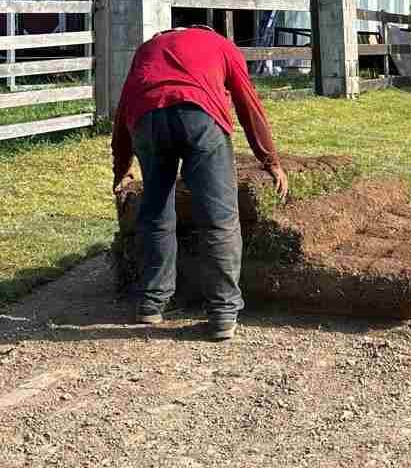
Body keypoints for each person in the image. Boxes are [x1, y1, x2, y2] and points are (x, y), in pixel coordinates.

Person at [111, 26, 288, 341]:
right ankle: (222, 313)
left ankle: (152, 304)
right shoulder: (221, 45)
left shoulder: (148, 48)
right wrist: (270, 160)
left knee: (155, 210)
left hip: (147, 120)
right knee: (219, 216)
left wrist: (122, 168)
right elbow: (248, 103)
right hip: (200, 116)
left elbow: (124, 106)